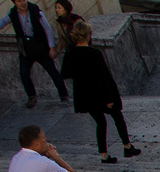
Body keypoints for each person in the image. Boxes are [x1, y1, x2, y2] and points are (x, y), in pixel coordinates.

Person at [59, 21, 138, 164]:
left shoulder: (71, 53)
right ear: (88, 35)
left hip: (85, 95)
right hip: (101, 94)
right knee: (117, 118)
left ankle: (104, 155)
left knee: (100, 123)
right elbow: (102, 77)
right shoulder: (94, 53)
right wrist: (108, 99)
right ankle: (127, 146)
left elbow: (65, 73)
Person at [0, 0, 68, 109]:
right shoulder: (13, 13)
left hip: (40, 47)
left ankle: (64, 95)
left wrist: (51, 47)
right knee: (23, 73)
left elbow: (47, 30)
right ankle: (31, 96)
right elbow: (5, 20)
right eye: (19, 1)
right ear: (14, 2)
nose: (23, 3)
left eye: (24, 0)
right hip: (26, 49)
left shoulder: (35, 12)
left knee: (52, 71)